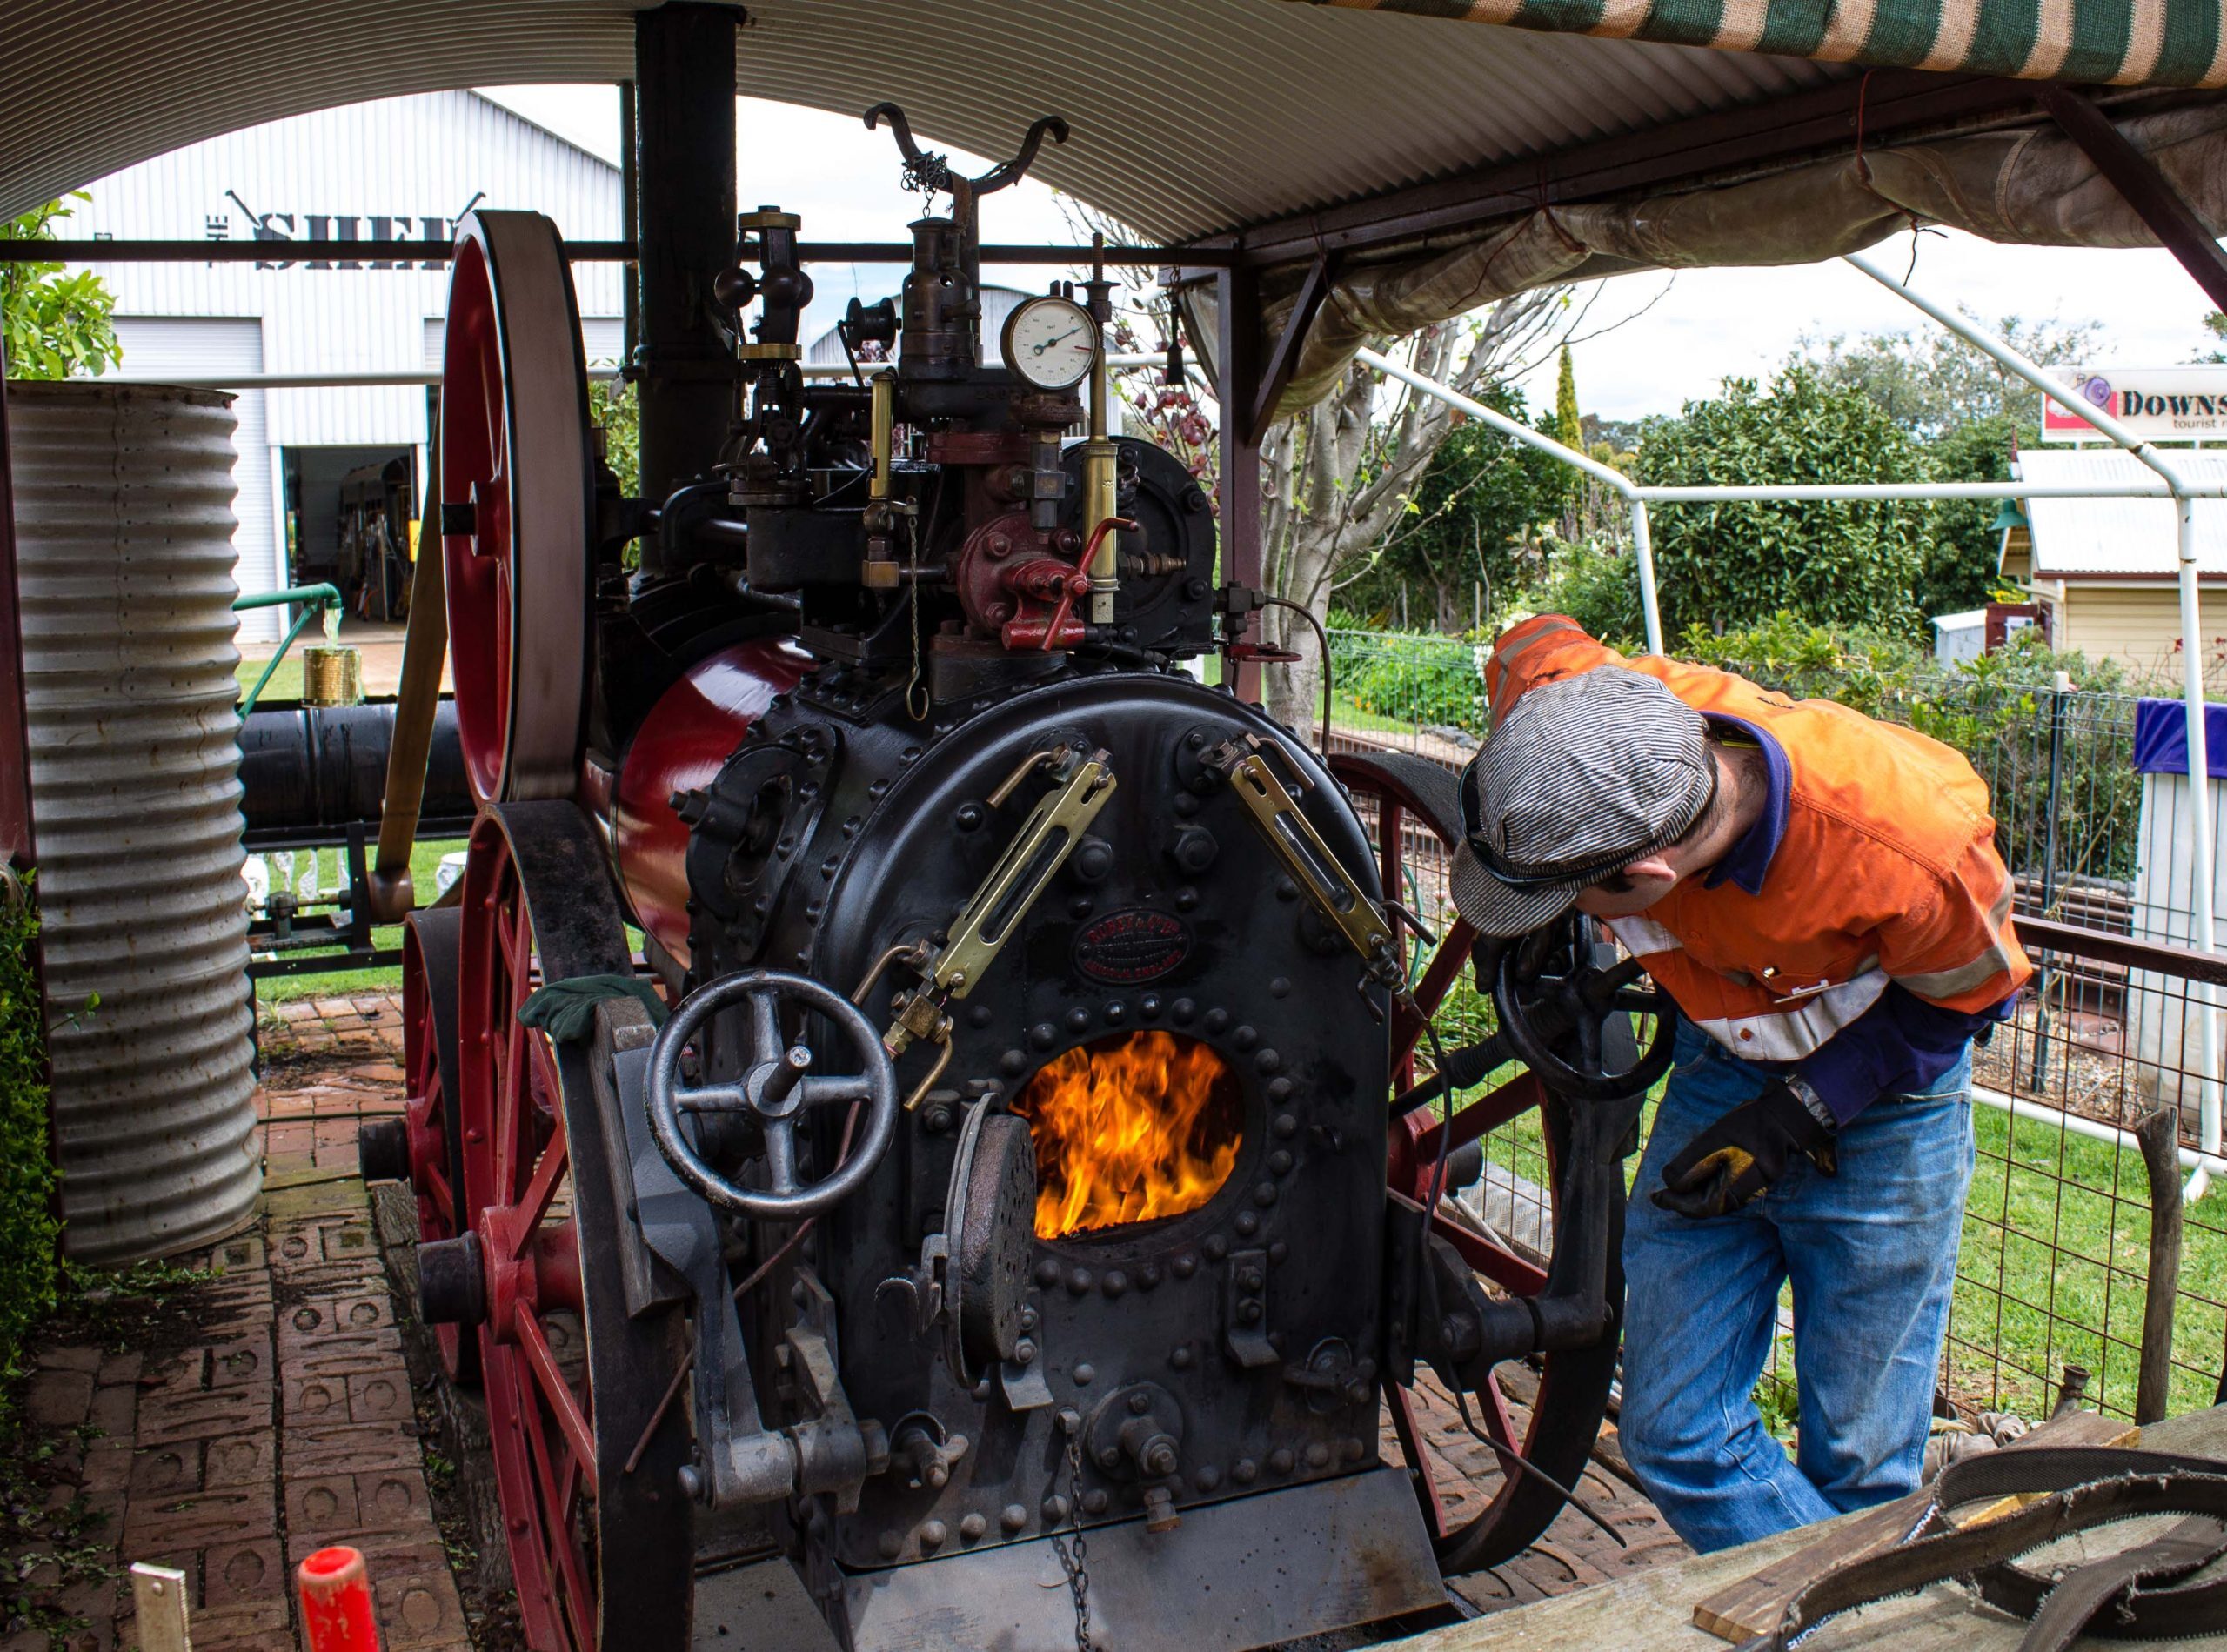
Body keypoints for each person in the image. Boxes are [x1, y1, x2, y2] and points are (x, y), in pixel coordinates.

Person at [1447, 613, 2030, 1555]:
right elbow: (1527, 640)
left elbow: (1970, 998)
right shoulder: (1586, 710)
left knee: (1861, 1468)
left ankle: (1861, 1605)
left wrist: (1802, 1111)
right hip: (1719, 1072)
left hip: (1887, 1116)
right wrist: (1532, 898)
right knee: (1672, 1433)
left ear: (1652, 872)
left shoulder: (1910, 849)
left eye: (1568, 896)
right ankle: (1874, 1603)